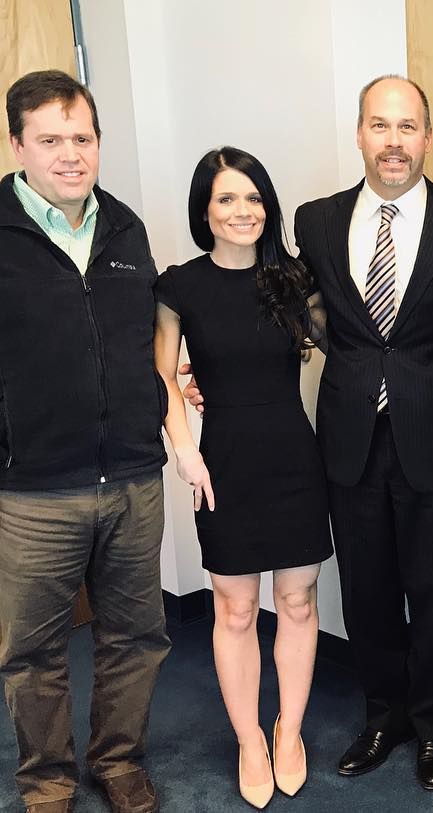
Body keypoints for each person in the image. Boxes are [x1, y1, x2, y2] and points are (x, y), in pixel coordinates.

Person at [185, 75, 433, 790]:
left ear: (428, 136)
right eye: (379, 126)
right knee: (364, 590)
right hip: (349, 437)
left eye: (408, 126)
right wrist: (192, 367)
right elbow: (281, 308)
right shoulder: (315, 220)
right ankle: (384, 713)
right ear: (359, 133)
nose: (393, 141)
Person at [0, 70, 170, 813]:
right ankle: (45, 779)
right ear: (16, 145)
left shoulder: (126, 228)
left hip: (132, 476)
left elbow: (138, 343)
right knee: (33, 653)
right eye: (50, 139)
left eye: (82, 137)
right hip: (34, 489)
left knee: (136, 635)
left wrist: (163, 393)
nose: (70, 154)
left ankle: (119, 759)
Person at [153, 147, 332, 808]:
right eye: (227, 198)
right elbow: (163, 374)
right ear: (206, 208)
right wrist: (184, 448)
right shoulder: (180, 286)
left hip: (292, 453)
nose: (242, 211)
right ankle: (250, 739)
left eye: (253, 197)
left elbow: (352, 343)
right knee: (232, 608)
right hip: (220, 458)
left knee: (297, 603)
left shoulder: (294, 280)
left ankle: (289, 730)